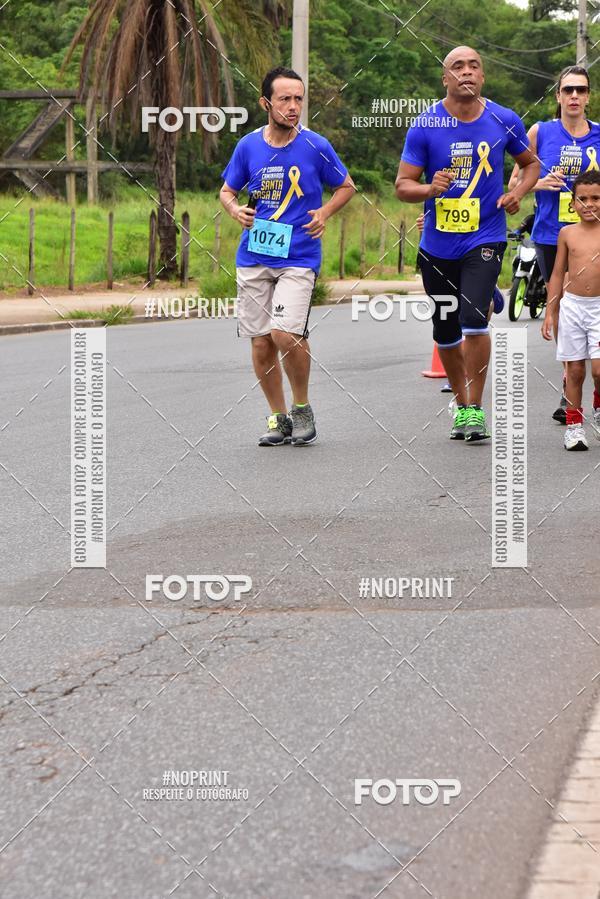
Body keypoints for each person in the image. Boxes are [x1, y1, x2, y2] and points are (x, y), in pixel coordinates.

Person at [396, 46, 539, 441]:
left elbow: (531, 165)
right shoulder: (425, 125)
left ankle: (474, 409)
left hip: (486, 235)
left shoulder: (503, 118)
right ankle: (460, 403)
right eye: (457, 66)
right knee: (445, 329)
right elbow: (402, 186)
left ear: (483, 75)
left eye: (474, 65)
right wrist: (429, 187)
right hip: (438, 245)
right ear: (445, 78)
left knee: (473, 319)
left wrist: (518, 193)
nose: (466, 72)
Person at [220, 66, 355, 446]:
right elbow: (227, 191)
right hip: (255, 255)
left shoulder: (316, 146)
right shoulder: (248, 146)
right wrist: (234, 211)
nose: (293, 106)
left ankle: (302, 408)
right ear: (266, 103)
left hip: (299, 255)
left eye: (299, 99)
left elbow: (346, 186)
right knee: (261, 340)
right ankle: (277, 417)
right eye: (285, 99)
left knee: (285, 333)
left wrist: (324, 213)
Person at [509, 66, 600, 423]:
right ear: (558, 97)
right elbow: (517, 178)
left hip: (593, 236)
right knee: (560, 307)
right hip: (550, 234)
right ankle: (570, 383)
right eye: (568, 90)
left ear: (589, 96)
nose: (574, 96)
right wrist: (537, 183)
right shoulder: (540, 132)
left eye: (581, 90)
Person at [542, 170, 600, 450]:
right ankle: (574, 427)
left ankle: (598, 408)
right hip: (573, 307)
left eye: (596, 198)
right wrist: (551, 311)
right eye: (583, 199)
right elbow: (556, 274)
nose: (589, 204)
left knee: (599, 371)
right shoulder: (567, 233)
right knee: (575, 371)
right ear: (573, 203)